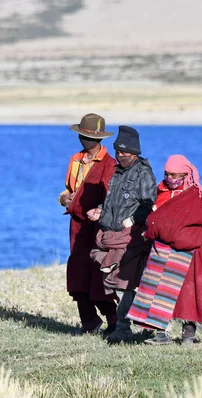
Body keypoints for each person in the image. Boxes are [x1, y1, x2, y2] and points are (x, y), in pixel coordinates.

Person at [127, 154, 202, 345]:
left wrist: (198, 244)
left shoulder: (200, 199)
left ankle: (188, 335)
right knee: (158, 291)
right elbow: (153, 220)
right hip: (162, 250)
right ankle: (160, 334)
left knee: (188, 295)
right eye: (167, 175)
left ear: (187, 175)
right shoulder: (160, 192)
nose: (171, 180)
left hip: (190, 253)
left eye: (176, 176)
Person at [88, 125, 157, 343]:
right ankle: (132, 323)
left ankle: (125, 327)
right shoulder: (117, 173)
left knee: (125, 284)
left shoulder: (144, 173)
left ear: (134, 153)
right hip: (110, 236)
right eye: (117, 152)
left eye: (124, 153)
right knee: (115, 283)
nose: (119, 156)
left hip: (130, 239)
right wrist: (100, 209)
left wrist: (133, 220)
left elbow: (149, 203)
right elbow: (112, 201)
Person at [59, 113, 118, 335]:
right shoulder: (75, 160)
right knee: (76, 274)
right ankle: (89, 321)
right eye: (81, 135)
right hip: (77, 225)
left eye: (88, 136)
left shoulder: (109, 164)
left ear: (99, 139)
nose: (84, 140)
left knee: (96, 274)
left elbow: (111, 198)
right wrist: (63, 198)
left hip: (97, 227)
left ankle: (114, 320)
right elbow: (69, 190)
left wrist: (100, 211)